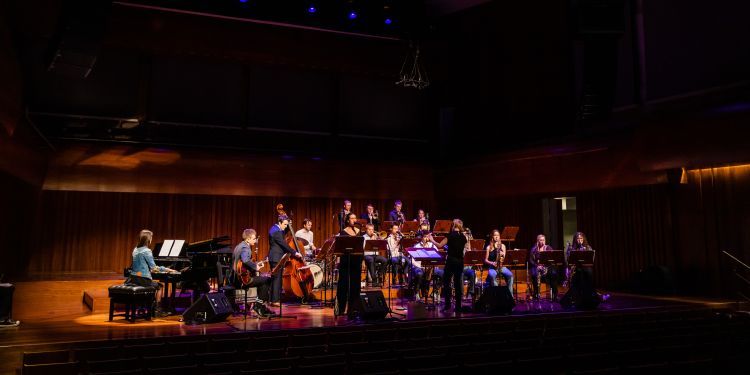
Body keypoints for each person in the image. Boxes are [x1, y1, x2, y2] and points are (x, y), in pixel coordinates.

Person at [231, 229, 275, 317]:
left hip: (235, 278)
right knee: (267, 280)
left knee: (263, 283)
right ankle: (259, 306)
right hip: (243, 280)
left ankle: (260, 307)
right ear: (248, 239)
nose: (255, 241)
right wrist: (256, 267)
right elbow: (246, 260)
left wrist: (256, 264)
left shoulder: (238, 246)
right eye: (254, 239)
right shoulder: (246, 248)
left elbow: (241, 264)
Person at [428, 219, 468, 313]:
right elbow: (464, 248)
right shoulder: (463, 237)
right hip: (460, 262)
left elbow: (439, 246)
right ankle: (458, 307)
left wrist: (432, 240)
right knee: (458, 284)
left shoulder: (449, 236)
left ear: (453, 226)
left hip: (451, 261)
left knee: (447, 283)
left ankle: (447, 305)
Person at [268, 215, 302, 306]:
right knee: (277, 279)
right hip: (276, 258)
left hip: (274, 257)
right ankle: (275, 301)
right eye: (285, 224)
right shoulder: (276, 231)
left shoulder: (275, 229)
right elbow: (284, 245)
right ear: (280, 222)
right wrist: (294, 253)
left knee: (275, 279)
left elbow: (283, 232)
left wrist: (288, 225)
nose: (286, 226)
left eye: (287, 225)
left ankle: (272, 300)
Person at [336, 213, 363, 317]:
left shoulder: (358, 231)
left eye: (355, 218)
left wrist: (363, 260)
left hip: (356, 261)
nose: (354, 220)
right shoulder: (343, 232)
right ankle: (341, 309)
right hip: (346, 261)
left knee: (355, 285)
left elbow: (361, 248)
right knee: (344, 285)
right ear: (347, 220)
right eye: (352, 218)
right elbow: (340, 248)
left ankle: (353, 308)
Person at [412, 231, 444, 301]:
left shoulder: (432, 246)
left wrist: (433, 266)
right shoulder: (417, 246)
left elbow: (437, 258)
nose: (427, 238)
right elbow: (413, 260)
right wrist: (421, 267)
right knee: (419, 274)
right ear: (422, 237)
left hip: (431, 268)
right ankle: (417, 292)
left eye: (428, 237)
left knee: (442, 273)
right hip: (420, 267)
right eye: (425, 236)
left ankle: (435, 292)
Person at [528, 234, 558, 301]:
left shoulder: (548, 248)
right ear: (537, 241)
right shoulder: (534, 249)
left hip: (547, 266)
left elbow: (552, 259)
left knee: (553, 273)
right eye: (541, 240)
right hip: (537, 266)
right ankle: (536, 293)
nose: (543, 242)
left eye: (543, 240)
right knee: (534, 274)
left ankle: (555, 294)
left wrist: (545, 266)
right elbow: (531, 260)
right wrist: (537, 266)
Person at [485, 229, 514, 297]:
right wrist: (492, 263)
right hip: (492, 267)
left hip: (501, 266)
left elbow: (504, 257)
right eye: (495, 235)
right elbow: (485, 260)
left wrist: (502, 254)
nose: (496, 237)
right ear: (492, 236)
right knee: (492, 275)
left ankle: (510, 296)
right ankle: (497, 295)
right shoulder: (488, 247)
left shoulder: (503, 246)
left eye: (498, 235)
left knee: (510, 275)